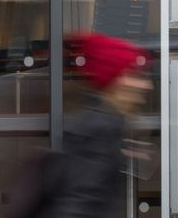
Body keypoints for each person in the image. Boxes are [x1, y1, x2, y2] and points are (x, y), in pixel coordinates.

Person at [46, 33, 152, 218]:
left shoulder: (105, 123)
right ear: (116, 80)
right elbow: (79, 203)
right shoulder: (100, 128)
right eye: (135, 75)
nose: (146, 85)